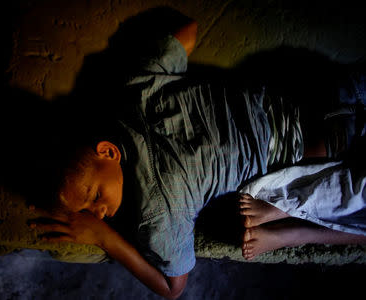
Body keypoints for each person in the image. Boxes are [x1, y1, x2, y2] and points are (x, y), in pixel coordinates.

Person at [27, 16, 366, 299]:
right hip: (304, 94)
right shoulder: (133, 89)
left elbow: (174, 287)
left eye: (95, 197)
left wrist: (104, 238)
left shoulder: (156, 211)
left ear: (109, 152)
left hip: (315, 150)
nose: (98, 214)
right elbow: (187, 30)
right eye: (89, 213)